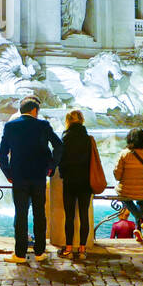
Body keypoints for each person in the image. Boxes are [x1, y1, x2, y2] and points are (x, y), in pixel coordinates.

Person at [0, 97, 63, 264]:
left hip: (19, 177)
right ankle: (40, 252)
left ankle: (19, 254)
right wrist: (51, 166)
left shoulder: (10, 126)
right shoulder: (43, 126)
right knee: (39, 214)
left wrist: (8, 173)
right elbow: (59, 146)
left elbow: (3, 154)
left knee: (20, 215)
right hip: (39, 176)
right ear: (34, 111)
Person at [113, 127, 143, 244]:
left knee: (124, 197)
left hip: (126, 191)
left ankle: (140, 221)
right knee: (142, 200)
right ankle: (138, 228)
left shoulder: (124, 154)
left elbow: (117, 176)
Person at [57, 109, 94, 260]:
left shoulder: (65, 137)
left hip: (70, 181)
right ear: (82, 120)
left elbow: (61, 159)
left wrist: (63, 173)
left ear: (68, 121)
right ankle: (83, 249)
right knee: (84, 215)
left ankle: (69, 248)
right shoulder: (88, 138)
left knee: (69, 216)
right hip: (85, 181)